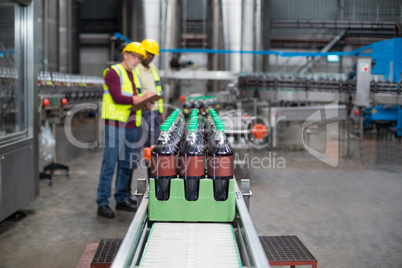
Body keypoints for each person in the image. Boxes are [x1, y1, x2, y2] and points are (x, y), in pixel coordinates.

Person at [97, 42, 156, 219]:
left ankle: (122, 197)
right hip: (116, 124)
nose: (136, 60)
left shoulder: (135, 74)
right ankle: (102, 202)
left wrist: (147, 103)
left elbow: (133, 99)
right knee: (110, 162)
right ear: (125, 55)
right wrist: (141, 98)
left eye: (139, 58)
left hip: (132, 124)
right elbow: (117, 97)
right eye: (133, 56)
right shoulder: (114, 72)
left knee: (127, 163)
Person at [135, 38, 165, 149]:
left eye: (153, 55)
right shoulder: (135, 69)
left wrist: (161, 113)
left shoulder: (154, 69)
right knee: (139, 144)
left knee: (154, 145)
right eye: (148, 53)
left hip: (156, 113)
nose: (150, 57)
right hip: (143, 112)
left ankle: (150, 165)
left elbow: (159, 91)